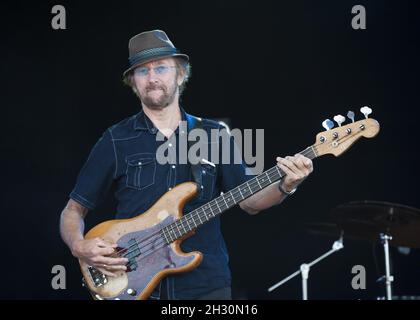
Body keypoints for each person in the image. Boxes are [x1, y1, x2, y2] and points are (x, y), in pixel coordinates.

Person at [59, 30, 313, 300]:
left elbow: (249, 202)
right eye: (142, 71)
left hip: (205, 285)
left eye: (160, 68)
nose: (153, 78)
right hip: (133, 282)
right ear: (133, 82)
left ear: (180, 74)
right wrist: (79, 246)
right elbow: (73, 210)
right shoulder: (116, 139)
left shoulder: (214, 135)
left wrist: (287, 185)